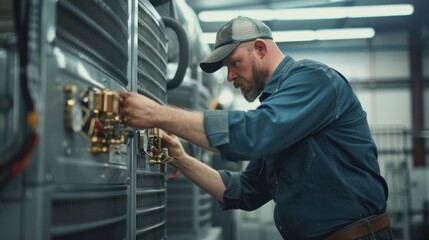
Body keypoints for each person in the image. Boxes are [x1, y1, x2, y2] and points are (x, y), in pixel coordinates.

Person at [120, 16, 393, 239]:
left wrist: (156, 114)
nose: (229, 76)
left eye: (234, 63)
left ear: (260, 49)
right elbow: (244, 191)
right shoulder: (280, 115)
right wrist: (181, 159)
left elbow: (250, 135)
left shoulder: (314, 80)